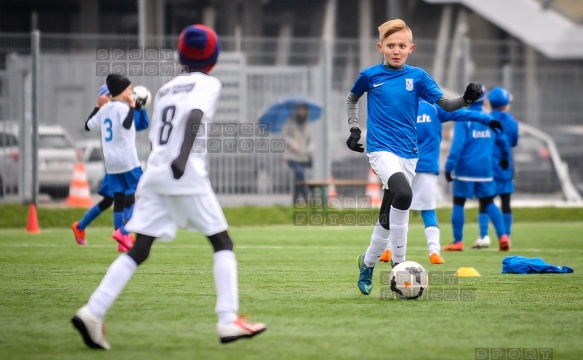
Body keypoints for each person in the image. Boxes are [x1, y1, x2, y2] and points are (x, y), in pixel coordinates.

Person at [71, 24, 266, 350]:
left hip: (155, 174)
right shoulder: (210, 82)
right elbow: (195, 116)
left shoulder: (166, 88)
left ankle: (92, 311)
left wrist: (171, 160)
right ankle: (228, 318)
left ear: (180, 55)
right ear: (214, 57)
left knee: (139, 248)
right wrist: (183, 157)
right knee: (222, 242)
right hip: (184, 171)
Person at [345, 18, 484, 295]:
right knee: (404, 194)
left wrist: (466, 99)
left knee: (388, 214)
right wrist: (354, 128)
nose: (396, 50)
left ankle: (368, 263)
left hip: (409, 154)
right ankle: (400, 265)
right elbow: (352, 99)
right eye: (391, 45)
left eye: (402, 46)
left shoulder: (418, 77)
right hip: (381, 150)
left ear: (411, 48)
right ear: (380, 47)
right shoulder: (370, 75)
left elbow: (445, 104)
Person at [379, 99, 503, 265]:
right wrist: (487, 119)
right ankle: (434, 252)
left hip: (401, 165)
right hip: (427, 166)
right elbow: (463, 114)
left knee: (394, 209)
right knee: (428, 210)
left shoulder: (400, 105)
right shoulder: (435, 108)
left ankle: (386, 250)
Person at [72, 84, 150, 252]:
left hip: (116, 163)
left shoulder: (116, 111)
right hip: (119, 164)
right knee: (121, 199)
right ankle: (122, 236)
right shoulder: (111, 112)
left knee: (118, 199)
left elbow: (141, 124)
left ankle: (83, 226)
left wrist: (140, 108)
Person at [443, 86, 512, 252]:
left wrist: (449, 166)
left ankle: (458, 241)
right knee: (489, 202)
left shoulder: (464, 119)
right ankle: (503, 237)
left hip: (465, 169)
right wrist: (504, 157)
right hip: (485, 169)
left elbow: (457, 146)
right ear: (484, 100)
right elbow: (502, 140)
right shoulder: (489, 118)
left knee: (459, 202)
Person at [474, 86, 519, 249]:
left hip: (488, 165)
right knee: (506, 202)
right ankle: (506, 236)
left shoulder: (485, 119)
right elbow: (513, 142)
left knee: (485, 201)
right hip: (505, 165)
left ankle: (484, 236)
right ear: (506, 104)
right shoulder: (512, 122)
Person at [282, 103, 314, 205]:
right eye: (300, 110)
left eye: (304, 110)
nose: (302, 112)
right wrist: (293, 144)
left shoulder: (308, 124)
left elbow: (312, 142)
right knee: (300, 174)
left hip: (304, 157)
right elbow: (284, 137)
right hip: (292, 157)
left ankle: (295, 202)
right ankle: (306, 198)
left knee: (298, 180)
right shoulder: (289, 122)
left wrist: (307, 149)